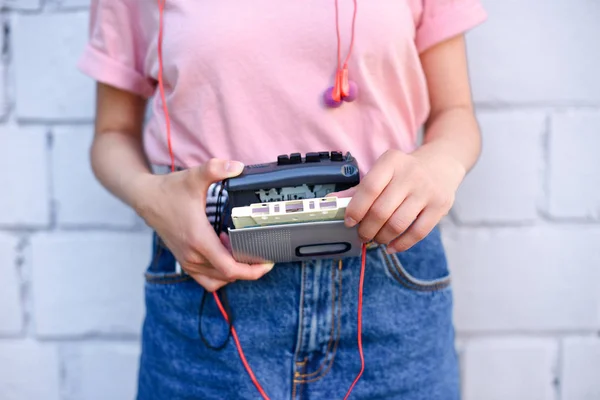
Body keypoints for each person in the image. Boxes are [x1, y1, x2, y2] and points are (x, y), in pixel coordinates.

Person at [78, 0, 486, 398]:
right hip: (209, 285)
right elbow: (112, 133)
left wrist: (438, 166)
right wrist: (151, 197)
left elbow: (455, 112)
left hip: (390, 280)